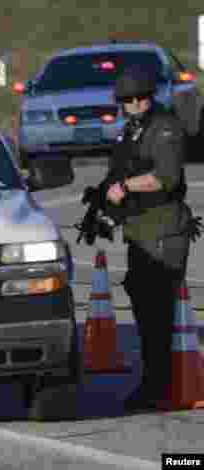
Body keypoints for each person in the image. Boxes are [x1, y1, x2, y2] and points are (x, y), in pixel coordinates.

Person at [102, 65, 195, 412]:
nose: (136, 103)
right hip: (140, 231)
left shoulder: (165, 128)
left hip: (163, 232)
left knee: (158, 315)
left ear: (150, 97)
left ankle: (160, 388)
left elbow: (166, 178)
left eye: (141, 97)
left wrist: (125, 187)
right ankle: (155, 383)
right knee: (145, 310)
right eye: (128, 99)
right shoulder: (132, 131)